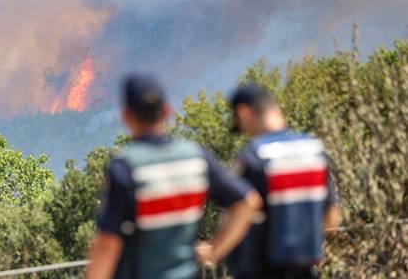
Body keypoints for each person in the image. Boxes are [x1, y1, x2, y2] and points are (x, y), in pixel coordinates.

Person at [86, 73, 261, 279]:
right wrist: (215, 250)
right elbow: (248, 202)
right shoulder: (196, 157)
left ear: (127, 117)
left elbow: (108, 243)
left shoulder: (125, 167)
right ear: (167, 111)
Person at [225, 83, 341, 279]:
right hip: (304, 269)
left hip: (260, 270)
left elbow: (240, 210)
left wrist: (215, 249)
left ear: (243, 113)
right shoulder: (313, 149)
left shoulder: (253, 156)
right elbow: (331, 217)